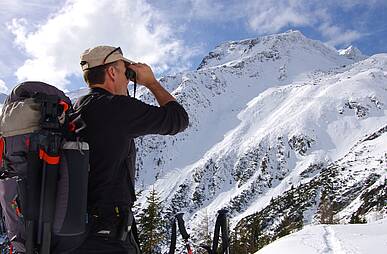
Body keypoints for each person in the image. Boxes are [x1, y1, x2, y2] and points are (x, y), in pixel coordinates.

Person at [70, 46, 189, 253]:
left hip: (74, 233)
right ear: (112, 72)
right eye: (126, 72)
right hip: (107, 235)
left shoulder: (77, 108)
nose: (129, 79)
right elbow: (177, 119)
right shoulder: (115, 108)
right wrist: (151, 83)